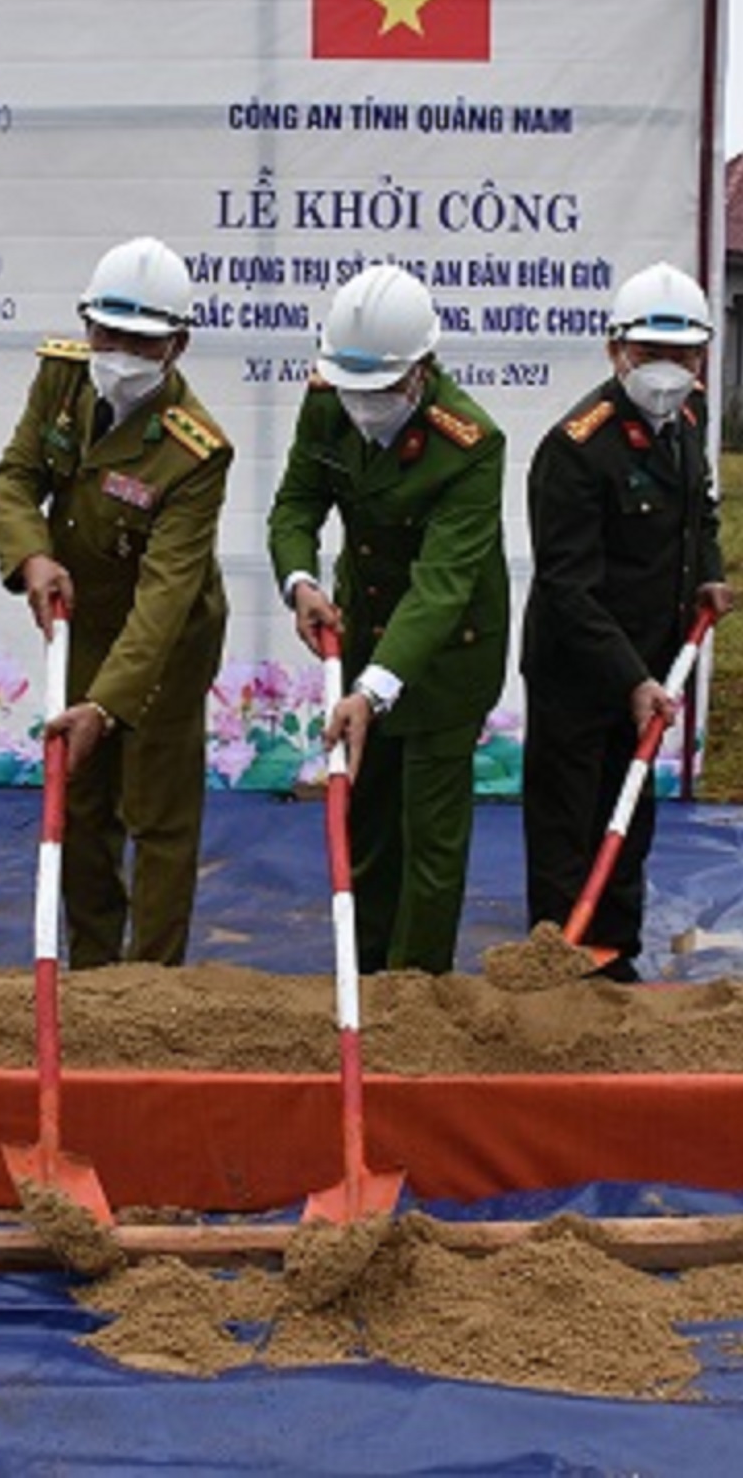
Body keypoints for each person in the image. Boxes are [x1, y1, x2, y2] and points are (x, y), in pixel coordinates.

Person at [0, 237, 231, 967]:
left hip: (166, 644)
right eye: (107, 332)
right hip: (82, 622)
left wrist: (107, 705)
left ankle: (151, 984)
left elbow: (164, 598)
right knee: (82, 807)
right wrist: (32, 553)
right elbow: (14, 478)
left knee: (156, 814)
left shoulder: (196, 450)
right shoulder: (62, 379)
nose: (118, 350)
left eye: (141, 340)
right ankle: (94, 974)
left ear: (178, 345)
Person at [268, 263, 508, 974]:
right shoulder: (328, 400)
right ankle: (365, 976)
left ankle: (414, 994)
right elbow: (296, 502)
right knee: (366, 818)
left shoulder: (471, 445)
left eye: (378, 390)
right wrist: (301, 580)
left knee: (429, 839)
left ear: (421, 370)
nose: (361, 404)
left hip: (444, 656)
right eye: (351, 388)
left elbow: (441, 585)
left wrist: (374, 690)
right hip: (364, 630)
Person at [520, 263, 733, 980]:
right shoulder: (576, 448)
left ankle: (616, 957)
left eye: (683, 356)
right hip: (578, 669)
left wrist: (709, 567)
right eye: (649, 355)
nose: (667, 372)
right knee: (569, 823)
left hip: (650, 660)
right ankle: (558, 961)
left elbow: (699, 510)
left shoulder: (689, 422)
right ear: (616, 350)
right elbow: (567, 586)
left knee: (631, 810)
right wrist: (631, 676)